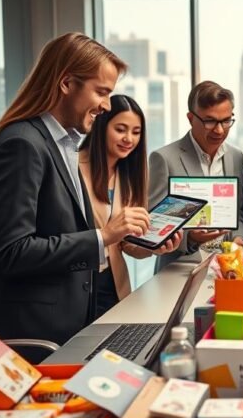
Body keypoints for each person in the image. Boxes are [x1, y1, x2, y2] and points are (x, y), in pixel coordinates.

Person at [0, 33, 150, 345]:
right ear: (66, 84)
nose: (106, 105)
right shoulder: (22, 145)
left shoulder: (62, 144)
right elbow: (12, 253)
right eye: (101, 92)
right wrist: (102, 236)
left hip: (71, 325)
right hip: (36, 338)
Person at [77, 95, 183, 319]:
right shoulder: (73, 167)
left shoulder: (128, 174)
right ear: (102, 126)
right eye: (121, 129)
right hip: (78, 284)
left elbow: (126, 243)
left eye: (136, 132)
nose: (129, 139)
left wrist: (155, 246)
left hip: (114, 285)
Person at [148, 80, 243, 271]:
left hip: (226, 267)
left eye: (226, 121)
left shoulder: (236, 156)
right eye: (210, 121)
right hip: (180, 268)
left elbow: (238, 211)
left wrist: (238, 239)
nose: (219, 130)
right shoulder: (164, 158)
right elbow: (154, 226)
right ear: (191, 118)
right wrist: (190, 237)